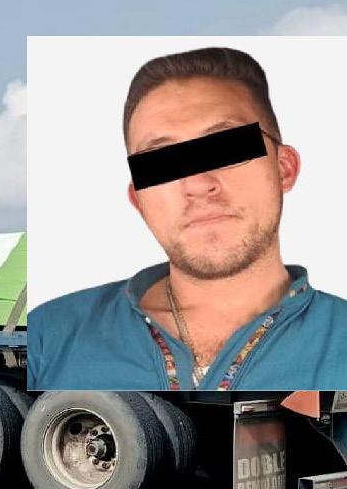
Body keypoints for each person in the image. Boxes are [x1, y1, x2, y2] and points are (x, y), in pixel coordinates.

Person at [28, 46, 347, 390]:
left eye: (227, 147)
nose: (197, 183)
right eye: (162, 162)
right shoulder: (47, 338)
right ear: (138, 200)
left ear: (284, 169)